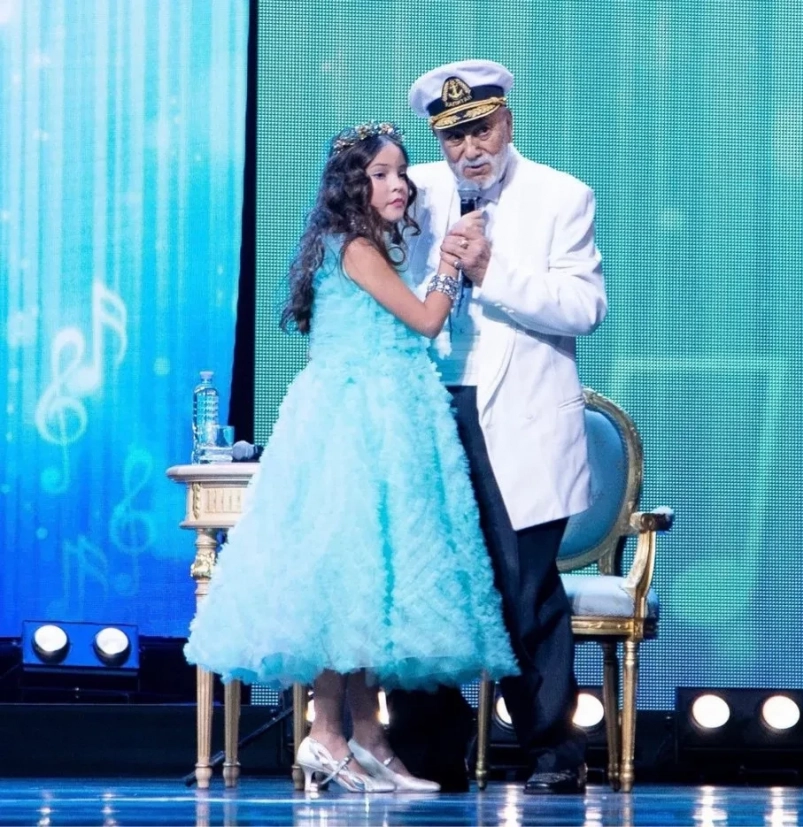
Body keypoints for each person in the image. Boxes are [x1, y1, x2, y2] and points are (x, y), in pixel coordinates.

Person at [183, 120, 518, 794]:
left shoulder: (356, 245)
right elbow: (425, 320)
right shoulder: (358, 248)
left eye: (402, 173)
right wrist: (451, 265)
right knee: (349, 577)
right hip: (359, 423)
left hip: (378, 414)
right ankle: (330, 733)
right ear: (351, 186)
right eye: (381, 175)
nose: (399, 186)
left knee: (368, 582)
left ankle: (367, 736)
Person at [401, 59, 608, 795]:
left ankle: (552, 748)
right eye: (453, 137)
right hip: (430, 409)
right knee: (422, 582)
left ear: (507, 122)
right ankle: (431, 747)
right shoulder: (414, 190)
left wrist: (492, 272)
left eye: (482, 130)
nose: (470, 149)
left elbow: (584, 308)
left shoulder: (561, 196)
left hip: (518, 418)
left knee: (523, 592)